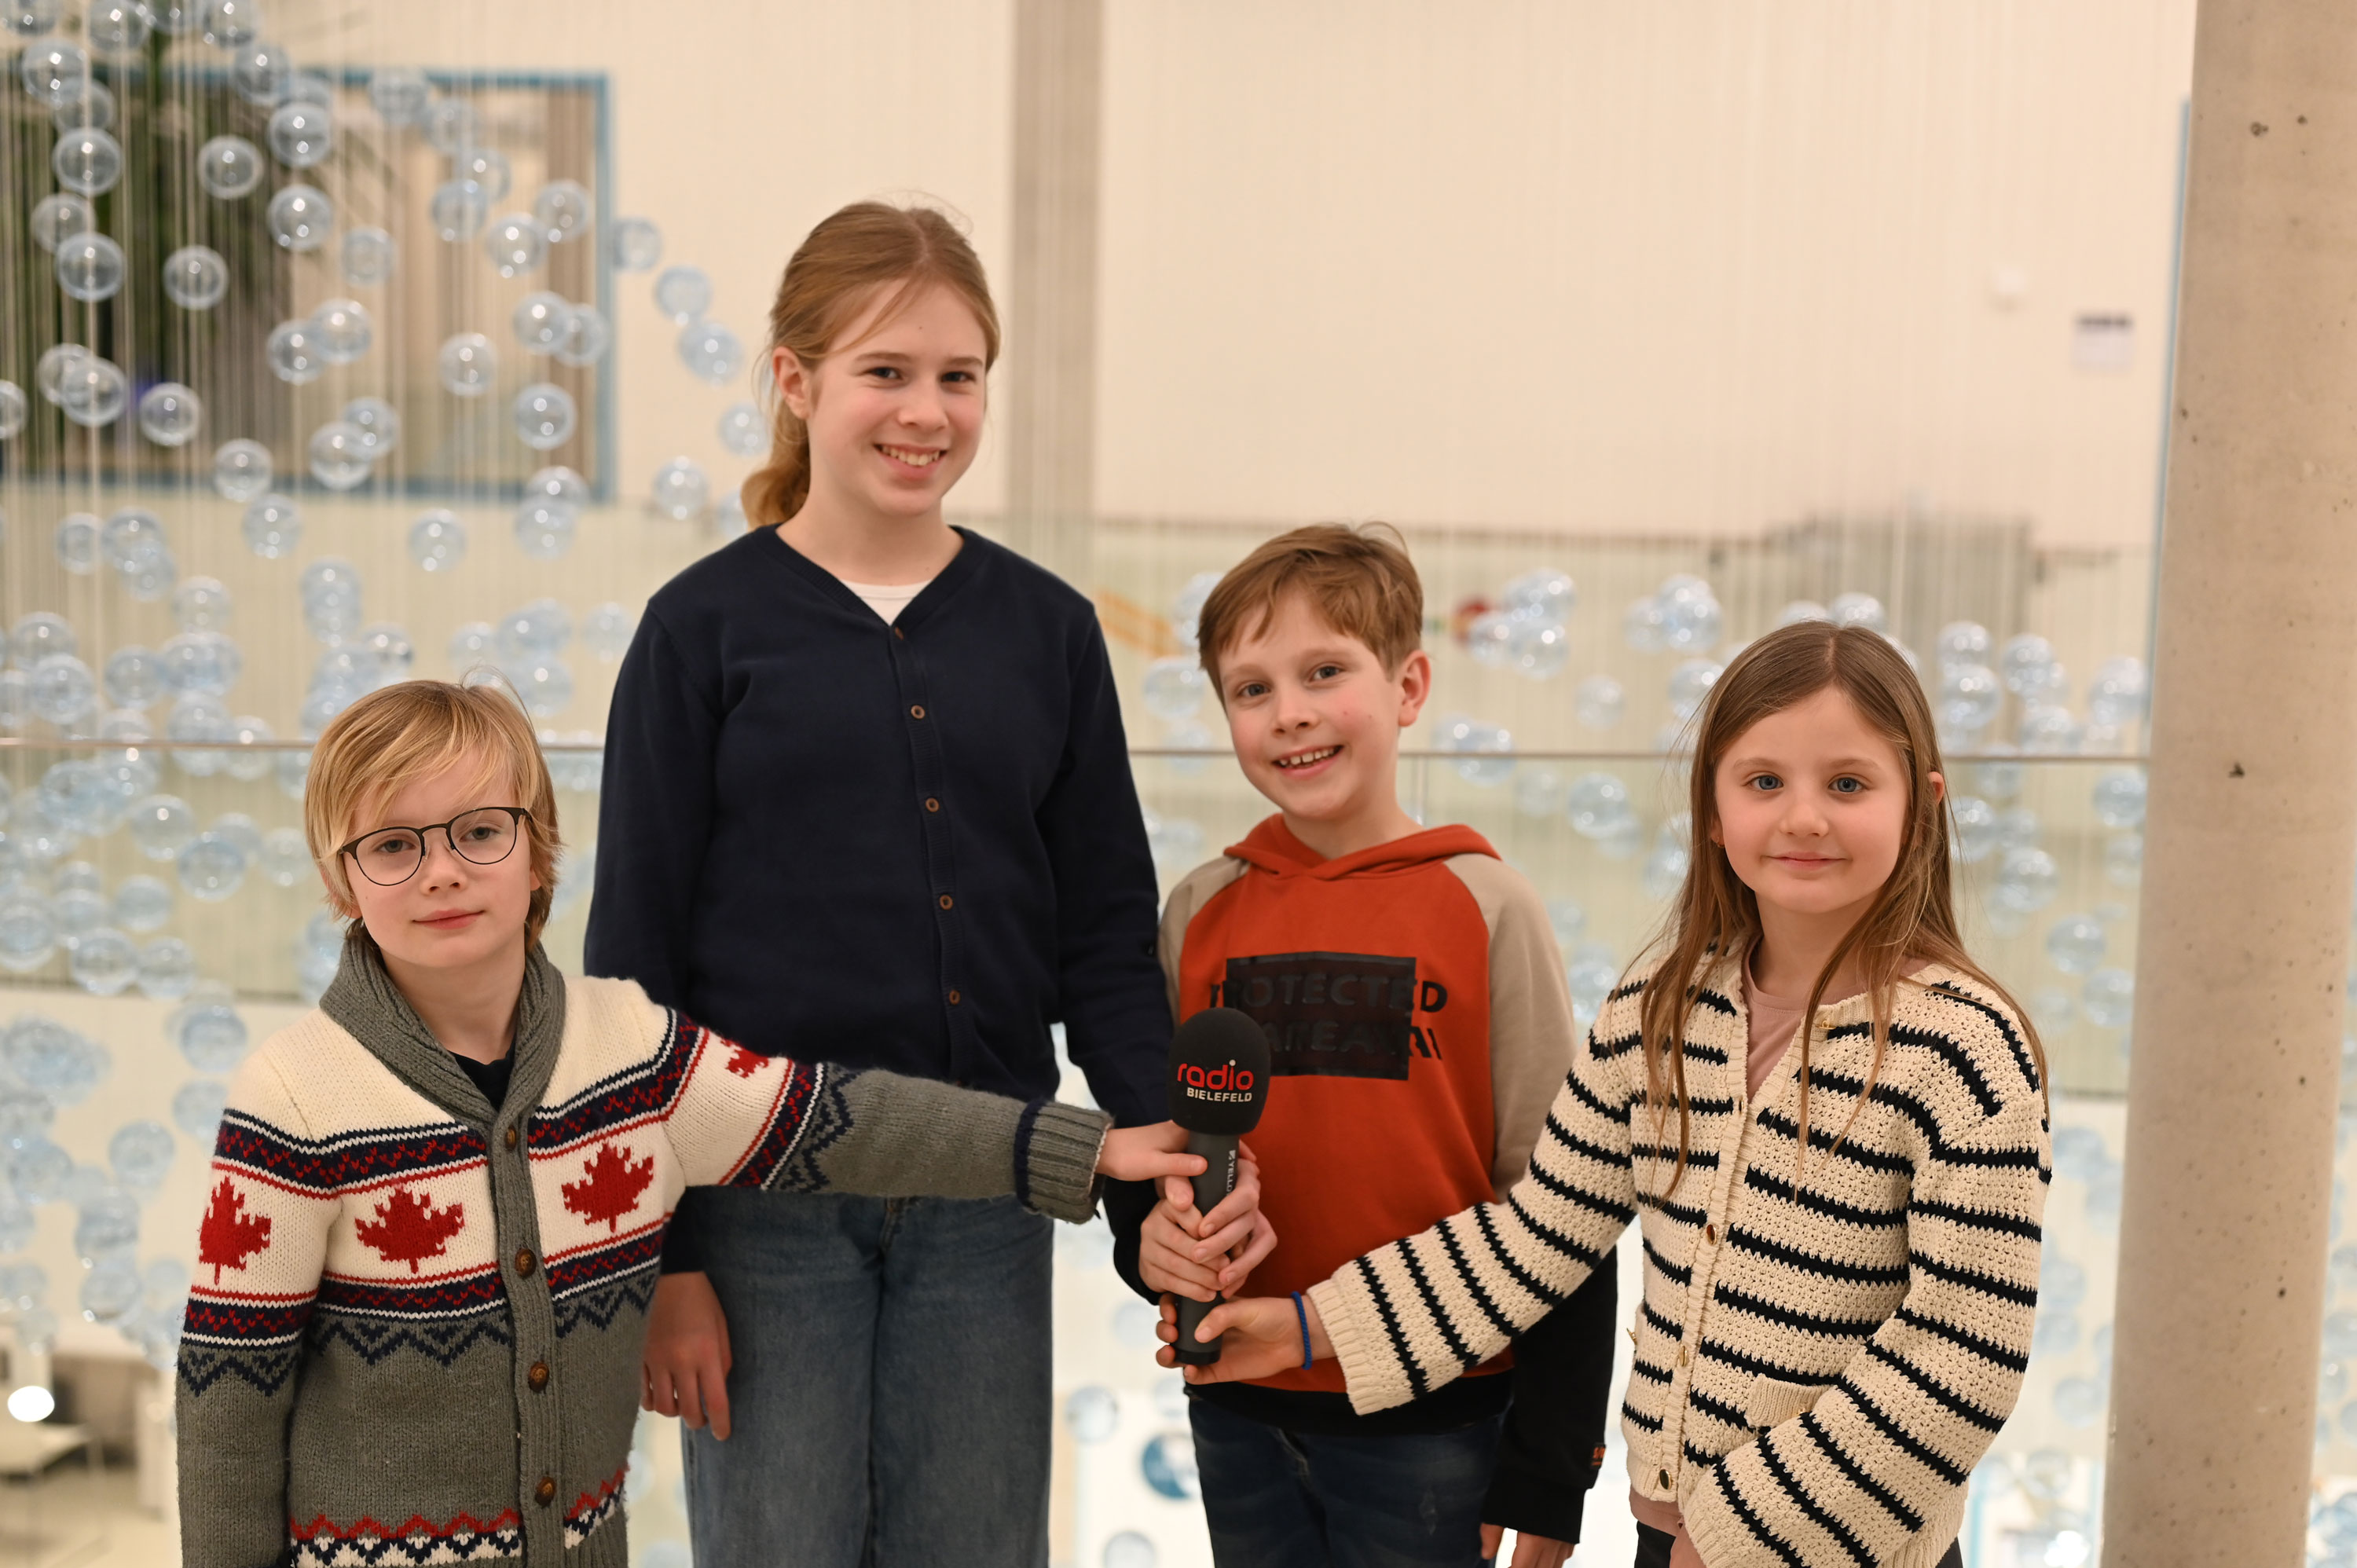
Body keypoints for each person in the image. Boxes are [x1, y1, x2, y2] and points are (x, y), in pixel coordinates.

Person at [172, 680, 1204, 1568]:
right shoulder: (296, 1099)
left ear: (539, 854)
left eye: (480, 831)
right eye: (392, 845)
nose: (442, 871)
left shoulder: (628, 1046)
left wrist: (1088, 1147)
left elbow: (844, 1120)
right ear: (339, 881)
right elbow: (228, 1403)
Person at [585, 201, 1211, 1565]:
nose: (925, 411)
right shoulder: (701, 631)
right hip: (760, 1211)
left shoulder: (1048, 629)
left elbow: (1101, 930)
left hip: (989, 1205)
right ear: (796, 380)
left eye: (958, 375)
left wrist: (1165, 1150)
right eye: (886, 371)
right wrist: (667, 1260)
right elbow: (634, 976)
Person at [1160, 621, 2054, 1568]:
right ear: (1713, 810)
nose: (1803, 818)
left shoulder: (1966, 1048)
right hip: (1669, 1538)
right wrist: (1310, 1327)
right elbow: (1534, 1239)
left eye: (1847, 783)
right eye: (1763, 782)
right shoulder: (1657, 1009)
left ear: (1923, 802)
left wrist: (1743, 1528)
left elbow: (1965, 1350)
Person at [1133, 523, 1618, 1567]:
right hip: (1235, 1407)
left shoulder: (1489, 907)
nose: (1290, 712)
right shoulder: (1197, 912)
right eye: (1250, 689)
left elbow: (1566, 1202)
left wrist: (1552, 1469)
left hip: (1440, 1421)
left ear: (1408, 687)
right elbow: (1160, 1152)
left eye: (1324, 672)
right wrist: (1149, 1243)